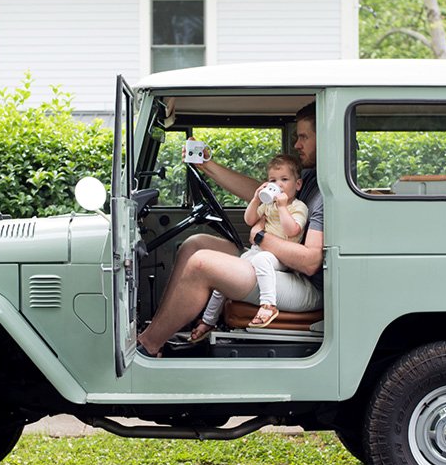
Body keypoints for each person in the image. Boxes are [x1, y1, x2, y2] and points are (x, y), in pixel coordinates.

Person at [136, 103, 323, 357]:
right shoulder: (311, 178)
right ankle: (169, 326)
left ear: (322, 137)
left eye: (303, 137)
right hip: (278, 265)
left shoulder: (325, 193)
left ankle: (148, 344)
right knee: (196, 244)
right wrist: (207, 165)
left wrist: (260, 236)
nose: (297, 145)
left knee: (202, 264)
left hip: (303, 285)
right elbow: (259, 191)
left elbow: (310, 262)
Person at [191, 153, 309, 339]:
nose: (278, 185)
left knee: (262, 260)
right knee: (226, 273)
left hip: (282, 257)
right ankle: (208, 321)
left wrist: (282, 208)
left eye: (284, 180)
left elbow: (292, 230)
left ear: (298, 184)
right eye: (273, 180)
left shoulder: (298, 207)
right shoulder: (269, 205)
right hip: (259, 251)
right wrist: (256, 199)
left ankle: (268, 305)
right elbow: (249, 219)